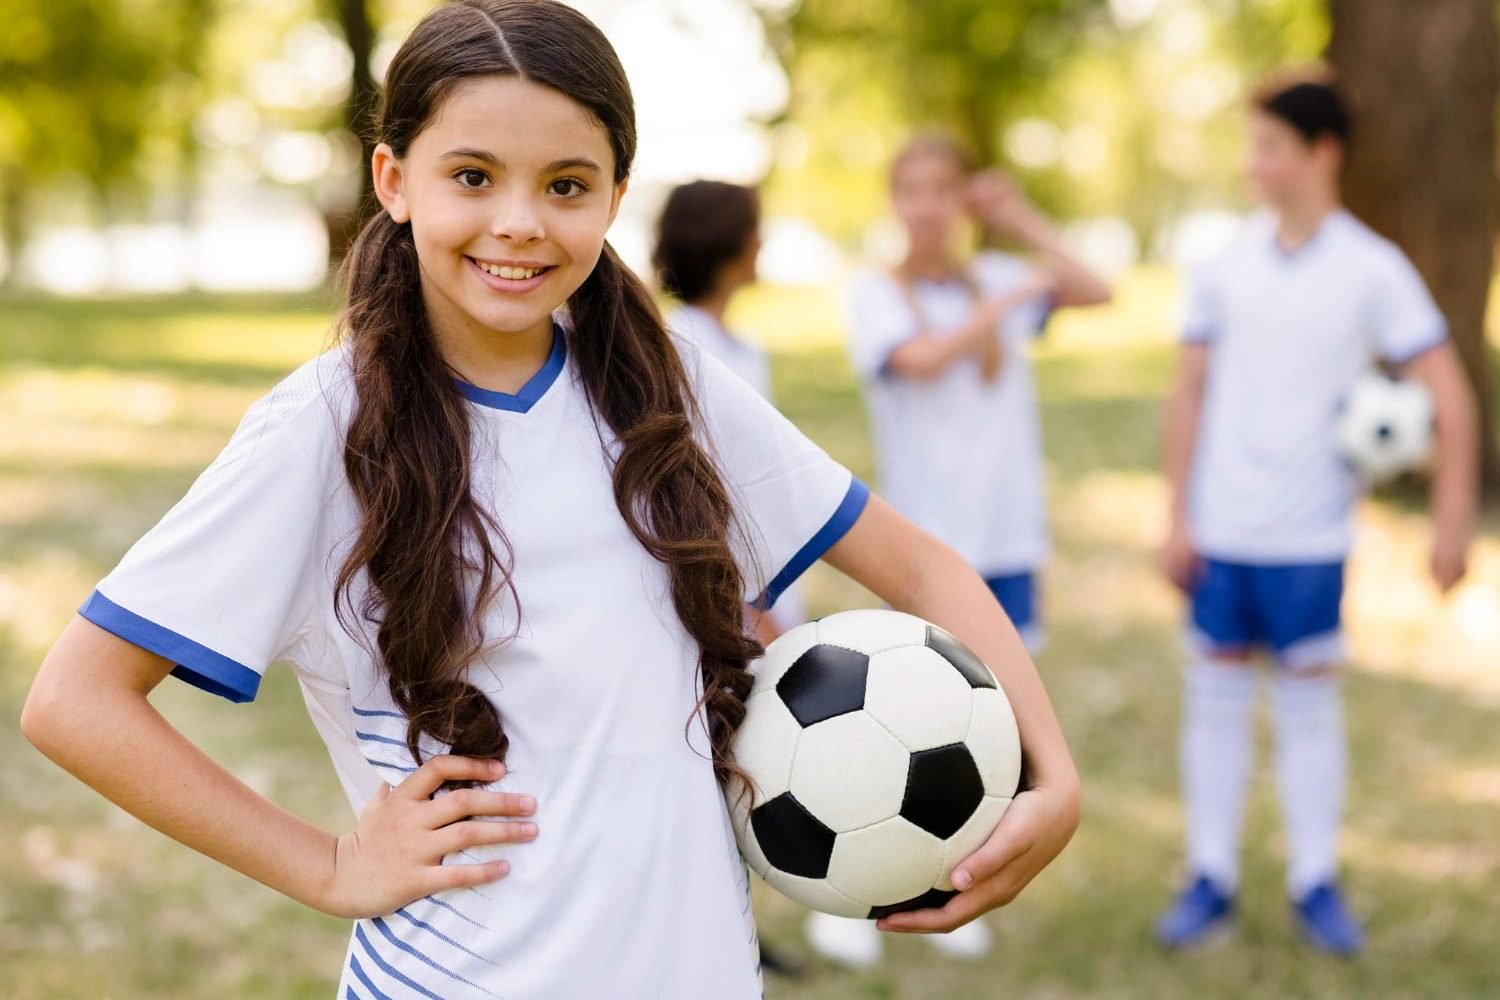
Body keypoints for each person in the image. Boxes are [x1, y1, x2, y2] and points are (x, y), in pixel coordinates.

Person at [18, 3, 1082, 997]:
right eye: (472, 176)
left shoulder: (670, 388)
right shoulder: (320, 432)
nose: (520, 223)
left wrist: (1054, 777)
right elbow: (76, 700)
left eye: (566, 185)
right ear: (393, 179)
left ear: (617, 196)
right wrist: (334, 863)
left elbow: (927, 569)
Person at [1155, 73, 1478, 956]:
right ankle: (1209, 878)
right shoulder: (1223, 265)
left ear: (1321, 154)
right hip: (1222, 533)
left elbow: (1449, 395)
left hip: (1311, 541)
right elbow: (1187, 392)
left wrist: (1451, 522)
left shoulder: (1373, 269)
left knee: (1308, 709)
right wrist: (1174, 515)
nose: (1252, 164)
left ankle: (1314, 881)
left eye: (1269, 146)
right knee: (1213, 702)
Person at [814, 134, 1109, 967]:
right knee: (894, 722)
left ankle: (964, 875)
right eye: (912, 190)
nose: (930, 207)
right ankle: (851, 898)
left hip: (1005, 536)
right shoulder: (879, 294)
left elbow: (1095, 288)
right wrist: (1004, 300)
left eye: (944, 189)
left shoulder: (1002, 279)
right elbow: (924, 357)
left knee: (999, 729)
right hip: (920, 549)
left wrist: (1020, 220)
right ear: (894, 202)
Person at [653, 180, 806, 644]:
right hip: (730, 611)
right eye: (753, 229)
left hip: (766, 586)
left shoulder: (742, 347)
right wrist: (754, 614)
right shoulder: (680, 347)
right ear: (729, 242)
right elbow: (691, 494)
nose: (762, 242)